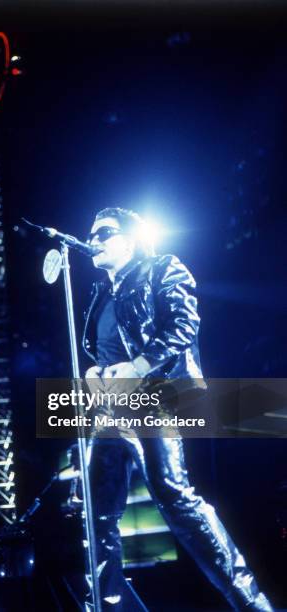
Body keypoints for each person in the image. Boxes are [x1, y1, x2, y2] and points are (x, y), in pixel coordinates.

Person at [82, 207, 272, 611]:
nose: (93, 240)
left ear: (129, 240)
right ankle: (109, 606)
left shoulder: (161, 269)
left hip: (157, 398)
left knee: (174, 496)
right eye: (91, 234)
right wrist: (95, 372)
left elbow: (184, 324)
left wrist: (137, 367)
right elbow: (95, 349)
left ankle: (250, 603)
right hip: (111, 411)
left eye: (104, 233)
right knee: (95, 513)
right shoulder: (100, 294)